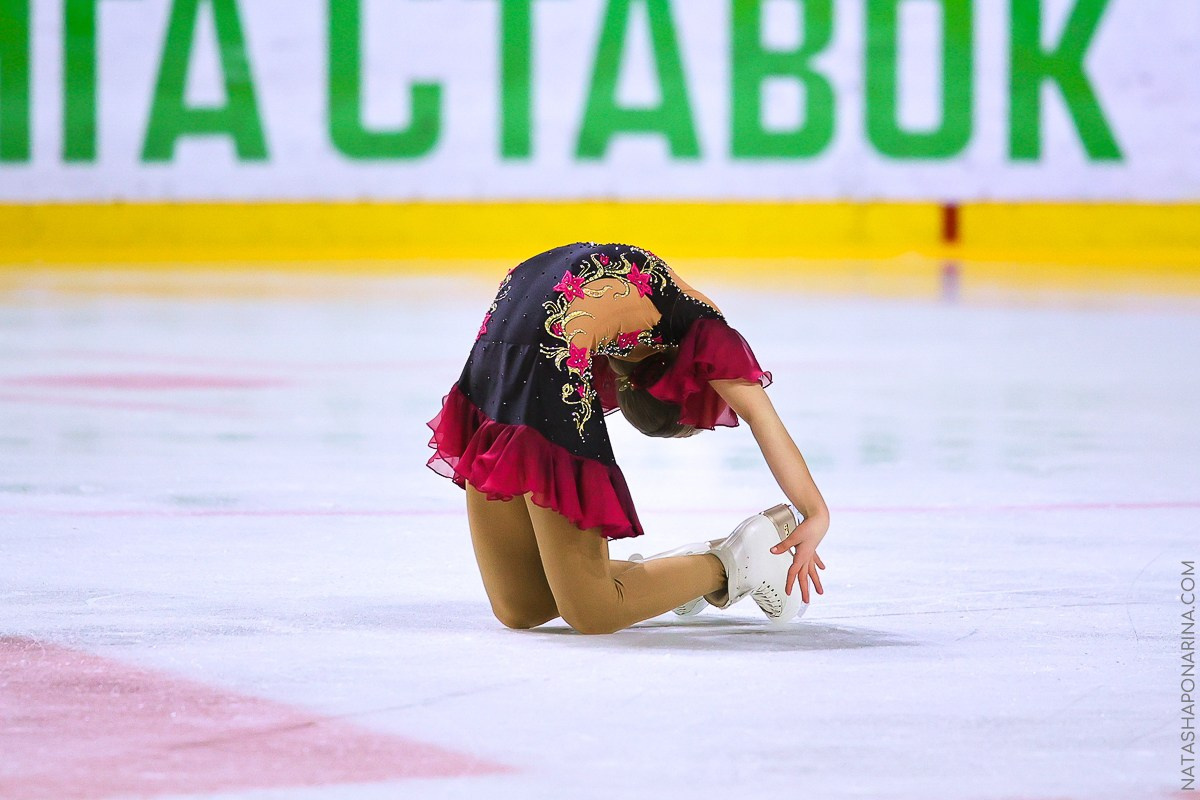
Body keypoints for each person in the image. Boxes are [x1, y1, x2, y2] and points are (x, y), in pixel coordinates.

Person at [426, 242, 829, 635]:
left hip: (495, 356)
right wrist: (815, 512)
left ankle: (700, 569)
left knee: (570, 610)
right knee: (531, 608)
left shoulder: (640, 330)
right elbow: (760, 415)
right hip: (512, 362)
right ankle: (728, 562)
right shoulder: (700, 325)